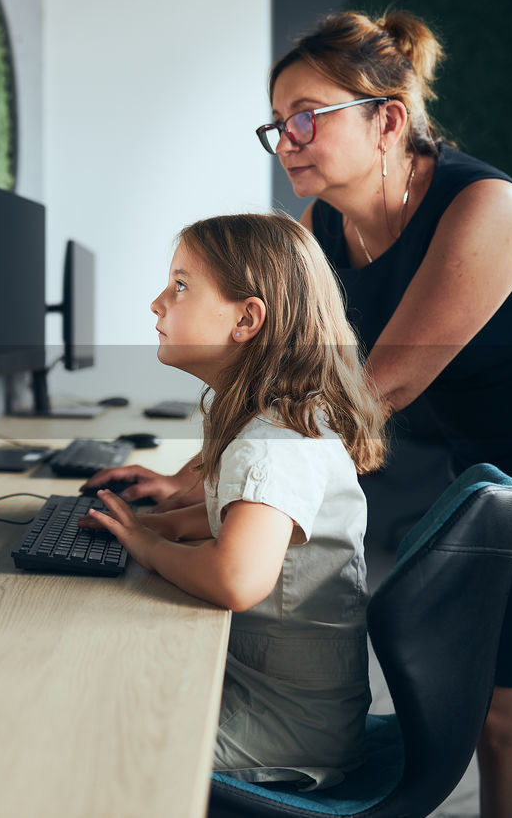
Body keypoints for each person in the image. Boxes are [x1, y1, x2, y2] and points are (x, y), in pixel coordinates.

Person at [96, 10, 512, 817]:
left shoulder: (484, 209)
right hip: (489, 441)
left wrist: (203, 498)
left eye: (306, 116)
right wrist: (186, 480)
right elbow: (289, 373)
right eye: (277, 123)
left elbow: (357, 395)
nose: (286, 138)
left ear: (387, 120)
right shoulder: (323, 225)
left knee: (510, 712)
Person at [85, 212, 387, 790]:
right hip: (286, 705)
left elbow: (236, 578)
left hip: (285, 729)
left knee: (95, 730)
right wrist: (169, 524)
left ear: (247, 319)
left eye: (179, 286)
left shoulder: (276, 441)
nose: (157, 303)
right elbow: (253, 517)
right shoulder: (282, 417)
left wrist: (147, 546)